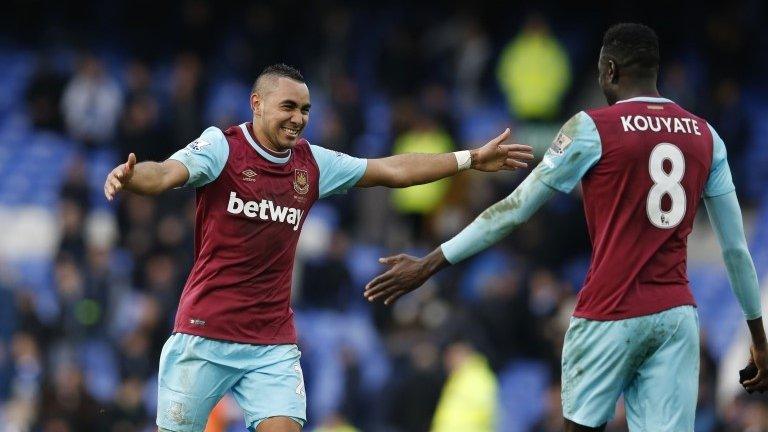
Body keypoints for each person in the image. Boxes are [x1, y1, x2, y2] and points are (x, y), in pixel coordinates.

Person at [363, 23, 768, 431]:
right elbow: (735, 250)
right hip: (676, 317)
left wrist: (431, 262)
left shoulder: (591, 129)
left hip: (610, 310)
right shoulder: (707, 136)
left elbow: (514, 209)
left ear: (609, 70)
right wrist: (759, 338)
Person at [103, 63, 534, 432]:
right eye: (288, 106)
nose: (298, 118)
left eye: (305, 109)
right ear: (257, 104)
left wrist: (470, 159)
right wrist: (130, 178)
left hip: (270, 343)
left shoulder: (312, 164)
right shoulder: (222, 147)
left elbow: (391, 170)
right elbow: (164, 175)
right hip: (203, 332)